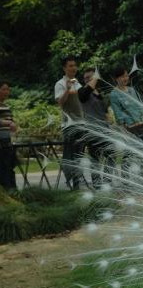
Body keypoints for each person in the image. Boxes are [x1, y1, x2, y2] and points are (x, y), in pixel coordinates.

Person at [79, 67, 115, 188]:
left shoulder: (99, 93)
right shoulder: (82, 92)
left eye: (90, 77)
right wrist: (93, 80)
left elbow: (105, 112)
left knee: (111, 155)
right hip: (93, 130)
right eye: (85, 78)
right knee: (95, 158)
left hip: (104, 129)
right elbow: (84, 94)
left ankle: (107, 180)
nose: (87, 80)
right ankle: (97, 184)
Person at [54, 56, 85, 190]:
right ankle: (71, 183)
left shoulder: (78, 83)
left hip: (81, 124)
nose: (73, 68)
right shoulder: (60, 83)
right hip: (69, 125)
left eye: (74, 65)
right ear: (64, 68)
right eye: (70, 66)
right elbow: (60, 102)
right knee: (70, 155)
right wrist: (67, 89)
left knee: (79, 155)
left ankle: (77, 182)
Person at [109, 66, 143, 178]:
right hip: (128, 128)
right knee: (127, 153)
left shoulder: (132, 90)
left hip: (139, 125)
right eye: (122, 76)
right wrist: (127, 124)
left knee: (142, 153)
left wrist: (141, 119)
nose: (126, 78)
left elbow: (138, 106)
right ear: (116, 78)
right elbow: (118, 113)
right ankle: (126, 180)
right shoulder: (114, 94)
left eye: (126, 75)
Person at [0, 80, 17, 190]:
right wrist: (7, 123)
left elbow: (11, 121)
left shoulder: (6, 106)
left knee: (10, 167)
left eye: (8, 89)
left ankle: (12, 191)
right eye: (4, 89)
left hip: (8, 140)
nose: (7, 92)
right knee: (3, 168)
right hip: (1, 142)